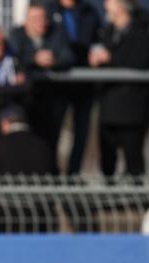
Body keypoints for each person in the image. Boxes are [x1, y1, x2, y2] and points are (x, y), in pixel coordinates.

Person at [89, 0, 149, 180]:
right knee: (107, 161)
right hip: (108, 107)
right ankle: (109, 194)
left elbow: (141, 61)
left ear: (121, 6)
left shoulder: (141, 33)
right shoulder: (106, 33)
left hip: (132, 110)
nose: (105, 6)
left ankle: (135, 195)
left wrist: (111, 58)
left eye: (109, 2)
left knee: (134, 161)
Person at [0, 105, 57, 233]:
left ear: (5, 123)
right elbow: (55, 177)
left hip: (1, 218)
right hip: (37, 217)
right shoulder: (43, 147)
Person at [9, 1, 74, 157]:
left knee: (50, 145)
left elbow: (69, 56)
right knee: (25, 144)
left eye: (43, 18)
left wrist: (54, 61)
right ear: (26, 20)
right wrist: (34, 59)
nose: (40, 22)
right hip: (26, 99)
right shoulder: (16, 34)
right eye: (35, 18)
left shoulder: (57, 33)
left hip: (52, 98)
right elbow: (13, 58)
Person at [48, 0, 102, 175]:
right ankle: (52, 176)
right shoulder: (50, 10)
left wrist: (97, 54)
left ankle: (73, 176)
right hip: (57, 83)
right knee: (53, 131)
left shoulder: (89, 12)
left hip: (84, 83)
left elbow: (98, 40)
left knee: (81, 134)